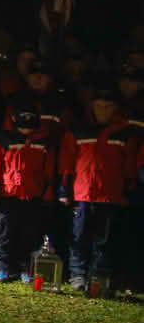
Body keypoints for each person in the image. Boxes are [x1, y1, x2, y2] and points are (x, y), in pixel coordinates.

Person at [59, 87, 140, 291]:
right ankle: (77, 274)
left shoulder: (124, 133)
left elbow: (129, 165)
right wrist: (64, 189)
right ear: (92, 106)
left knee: (103, 239)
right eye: (99, 106)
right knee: (78, 235)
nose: (103, 110)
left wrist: (127, 191)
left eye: (108, 106)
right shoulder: (78, 130)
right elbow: (67, 162)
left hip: (109, 194)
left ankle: (98, 275)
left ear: (115, 108)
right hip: (82, 193)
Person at [0, 104, 56, 282]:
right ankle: (1, 267)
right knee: (3, 232)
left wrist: (48, 190)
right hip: (8, 194)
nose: (26, 129)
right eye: (22, 124)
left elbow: (49, 169)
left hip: (33, 195)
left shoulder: (44, 141)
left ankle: (26, 268)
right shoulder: (3, 139)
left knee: (30, 233)